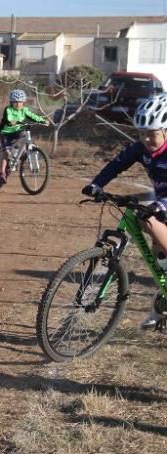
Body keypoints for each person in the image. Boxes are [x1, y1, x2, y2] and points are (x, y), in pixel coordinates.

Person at [83, 92, 167, 329]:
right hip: (163, 200)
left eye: (152, 134)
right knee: (158, 252)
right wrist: (97, 183)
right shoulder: (140, 148)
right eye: (142, 134)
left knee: (148, 220)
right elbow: (117, 164)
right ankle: (161, 305)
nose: (146, 139)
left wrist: (160, 205)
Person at [0, 89, 48, 185]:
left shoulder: (24, 110)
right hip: (6, 133)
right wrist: (12, 121)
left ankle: (24, 153)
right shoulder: (8, 109)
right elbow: (8, 119)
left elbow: (32, 116)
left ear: (23, 102)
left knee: (24, 135)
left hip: (17, 131)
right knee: (6, 152)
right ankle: (2, 173)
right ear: (11, 102)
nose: (18, 104)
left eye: (20, 102)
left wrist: (42, 121)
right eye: (15, 102)